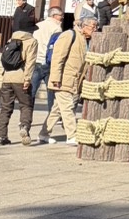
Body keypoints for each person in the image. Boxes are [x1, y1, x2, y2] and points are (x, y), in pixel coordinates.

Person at [37, 16, 95, 145]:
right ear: (84, 26)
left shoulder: (87, 40)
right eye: (93, 26)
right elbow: (58, 57)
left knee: (57, 109)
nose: (95, 29)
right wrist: (56, 78)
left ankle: (43, 134)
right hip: (63, 79)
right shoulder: (69, 35)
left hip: (75, 81)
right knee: (68, 107)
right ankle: (72, 135)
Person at [0, 18, 39, 147]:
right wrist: (27, 79)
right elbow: (30, 62)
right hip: (21, 77)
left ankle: (0, 137)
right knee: (26, 105)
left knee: (5, 108)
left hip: (7, 77)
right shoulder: (32, 41)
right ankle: (24, 127)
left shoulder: (11, 40)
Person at [32, 4, 64, 109]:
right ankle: (52, 115)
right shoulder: (57, 28)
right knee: (51, 92)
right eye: (61, 15)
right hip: (49, 62)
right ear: (54, 15)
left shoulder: (37, 25)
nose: (62, 18)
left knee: (31, 91)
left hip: (35, 60)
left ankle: (25, 117)